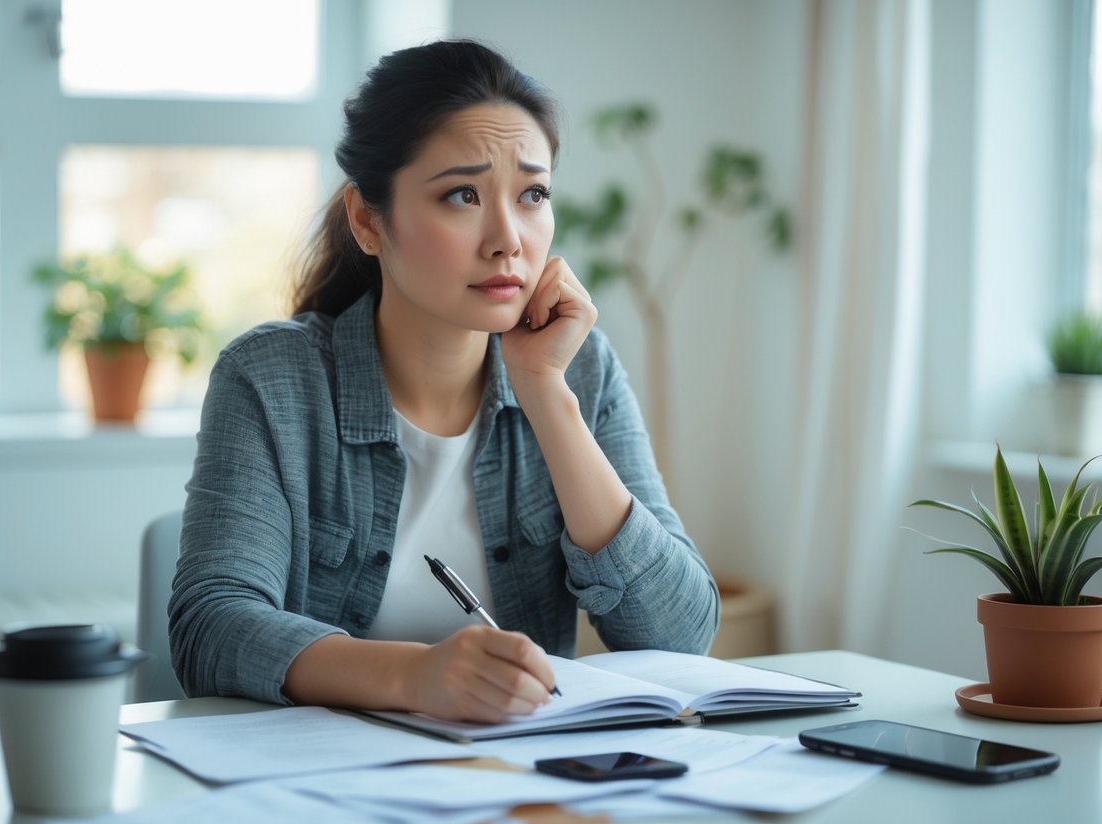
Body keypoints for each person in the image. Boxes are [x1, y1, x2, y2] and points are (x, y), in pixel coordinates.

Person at [169, 39, 719, 724]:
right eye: (462, 194)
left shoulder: (579, 365)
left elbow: (680, 635)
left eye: (532, 194)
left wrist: (545, 391)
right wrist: (415, 676)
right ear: (369, 220)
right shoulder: (273, 378)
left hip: (519, 788)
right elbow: (210, 630)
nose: (507, 239)